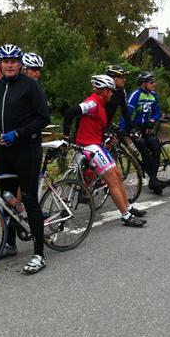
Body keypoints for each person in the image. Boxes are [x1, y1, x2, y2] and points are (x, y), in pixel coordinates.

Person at [0, 44, 51, 274]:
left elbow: (43, 118)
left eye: (13, 61)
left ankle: (39, 254)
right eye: (5, 61)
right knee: (6, 198)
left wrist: (18, 133)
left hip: (27, 150)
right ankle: (10, 244)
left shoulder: (30, 85)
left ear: (20, 64)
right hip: (4, 151)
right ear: (0, 64)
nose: (9, 65)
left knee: (29, 199)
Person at [63, 75, 147, 227]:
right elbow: (70, 113)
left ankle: (128, 206)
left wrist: (106, 136)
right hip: (88, 145)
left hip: (97, 143)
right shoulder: (92, 103)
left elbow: (96, 125)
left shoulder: (101, 104)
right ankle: (126, 216)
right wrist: (66, 136)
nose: (112, 94)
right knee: (111, 179)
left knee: (118, 174)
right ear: (103, 91)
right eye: (111, 91)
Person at [124, 71, 166, 194]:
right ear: (144, 83)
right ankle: (154, 181)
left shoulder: (153, 95)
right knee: (144, 149)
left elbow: (157, 112)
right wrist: (125, 128)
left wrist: (152, 121)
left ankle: (153, 179)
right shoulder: (135, 95)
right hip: (135, 127)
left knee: (156, 148)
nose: (154, 84)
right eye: (151, 82)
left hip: (147, 127)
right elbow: (126, 114)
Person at [104, 65, 132, 131]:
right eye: (122, 78)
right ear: (114, 78)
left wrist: (131, 127)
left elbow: (125, 111)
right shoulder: (103, 91)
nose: (124, 80)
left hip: (106, 126)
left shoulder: (120, 91)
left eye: (124, 78)